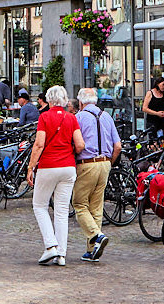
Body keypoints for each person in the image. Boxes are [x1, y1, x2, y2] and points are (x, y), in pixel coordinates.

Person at [24, 86, 81, 266]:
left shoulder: (44, 117)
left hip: (49, 165)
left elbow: (39, 144)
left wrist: (30, 167)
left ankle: (50, 246)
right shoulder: (71, 118)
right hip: (68, 166)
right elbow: (80, 144)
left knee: (40, 205)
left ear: (49, 100)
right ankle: (62, 254)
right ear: (64, 100)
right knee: (62, 210)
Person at [72, 87, 122, 262]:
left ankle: (96, 236)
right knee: (96, 207)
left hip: (87, 164)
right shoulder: (106, 116)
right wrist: (109, 162)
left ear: (81, 102)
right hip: (105, 164)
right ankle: (92, 250)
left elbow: (77, 145)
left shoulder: (78, 118)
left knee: (79, 203)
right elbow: (118, 146)